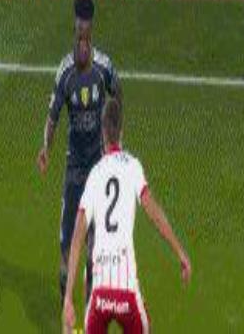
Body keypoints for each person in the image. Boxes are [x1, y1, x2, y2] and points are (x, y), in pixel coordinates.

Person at [63, 98, 192, 333]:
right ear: (121, 132)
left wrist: (68, 298)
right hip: (126, 293)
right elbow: (154, 213)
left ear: (103, 133)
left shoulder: (95, 175)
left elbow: (77, 237)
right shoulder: (132, 166)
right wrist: (180, 252)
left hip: (99, 295)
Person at [37, 0, 122, 306]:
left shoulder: (103, 67)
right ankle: (67, 307)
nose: (82, 38)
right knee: (66, 246)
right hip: (74, 168)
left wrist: (116, 137)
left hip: (97, 166)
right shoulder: (65, 72)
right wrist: (46, 148)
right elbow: (53, 116)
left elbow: (118, 94)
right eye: (78, 34)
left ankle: (87, 315)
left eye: (85, 32)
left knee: (93, 247)